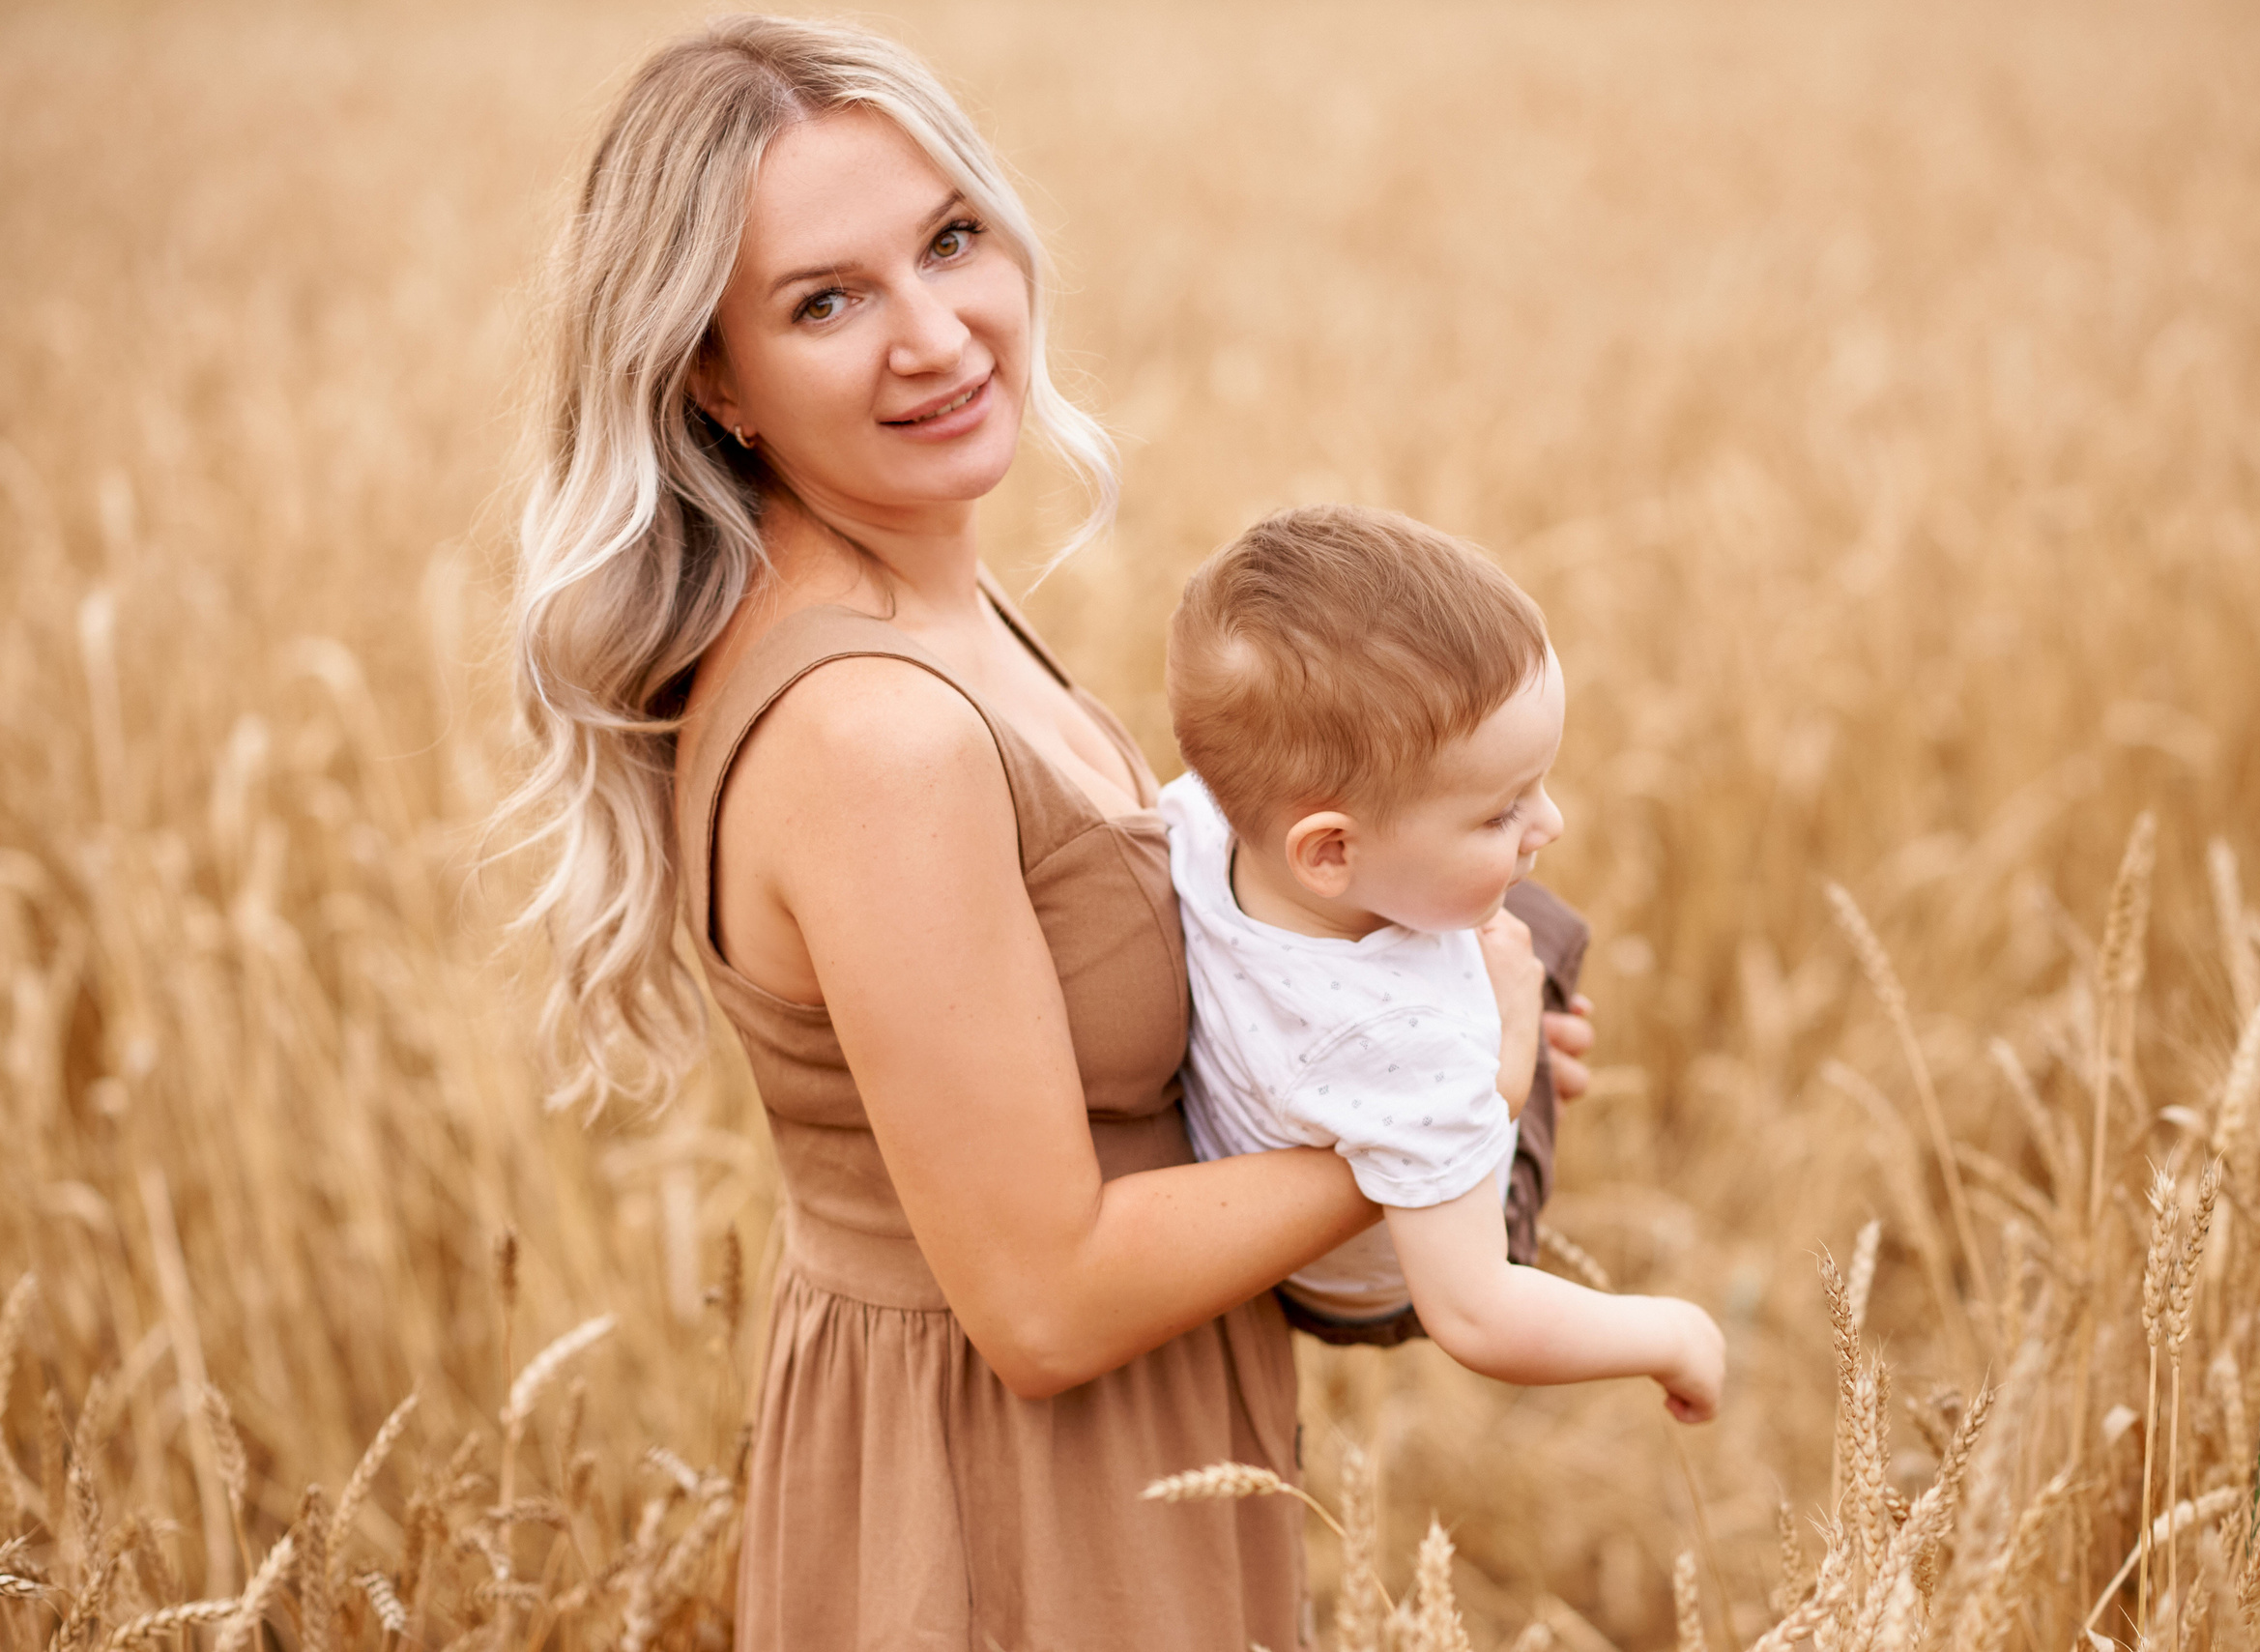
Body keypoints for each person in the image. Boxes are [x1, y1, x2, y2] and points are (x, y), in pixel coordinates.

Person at [502, 16, 1598, 1651]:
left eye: (950, 239)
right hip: (1007, 1503)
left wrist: (1378, 1005)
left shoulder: (936, 607)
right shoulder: (873, 733)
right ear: (713, 378)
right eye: (826, 301)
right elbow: (1043, 1299)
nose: (936, 335)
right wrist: (1450, 1093)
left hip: (1122, 1445)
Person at [1162, 506, 1725, 1414]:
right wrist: (1672, 1333)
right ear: (1330, 852)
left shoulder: (1197, 817)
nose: (1551, 822)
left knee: (1510, 905)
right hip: (1381, 1278)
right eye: (1502, 810)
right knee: (1537, 932)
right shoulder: (1409, 1045)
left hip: (1313, 1129)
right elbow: (1478, 1313)